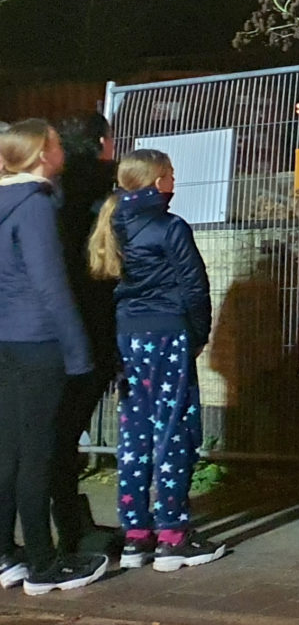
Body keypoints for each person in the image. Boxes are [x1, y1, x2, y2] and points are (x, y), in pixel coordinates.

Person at [88, 149, 225, 571]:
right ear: (157, 181)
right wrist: (198, 337)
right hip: (169, 336)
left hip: (128, 338)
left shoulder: (109, 226)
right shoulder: (170, 227)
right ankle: (172, 535)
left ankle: (135, 535)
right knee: (173, 433)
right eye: (170, 175)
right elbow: (195, 288)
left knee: (134, 436)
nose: (174, 183)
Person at [0, 120, 109, 595]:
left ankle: (6, 552)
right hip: (39, 340)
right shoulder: (37, 204)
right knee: (38, 455)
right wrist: (78, 351)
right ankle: (44, 564)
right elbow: (50, 284)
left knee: (8, 451)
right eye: (58, 144)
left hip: (5, 340)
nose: (64, 150)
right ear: (43, 154)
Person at [51, 112, 120, 558]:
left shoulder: (53, 192)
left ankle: (70, 523)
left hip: (47, 334)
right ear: (101, 142)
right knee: (62, 436)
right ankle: (71, 531)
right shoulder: (102, 193)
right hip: (89, 329)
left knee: (56, 435)